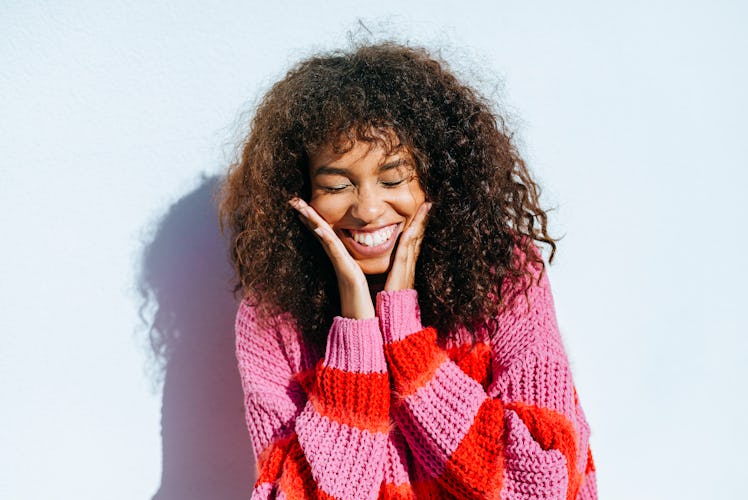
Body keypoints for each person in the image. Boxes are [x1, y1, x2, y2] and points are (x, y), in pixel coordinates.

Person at [218, 41, 597, 499]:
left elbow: (543, 482)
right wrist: (356, 338)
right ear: (300, 196)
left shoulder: (504, 276)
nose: (369, 208)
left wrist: (407, 343)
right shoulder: (272, 321)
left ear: (437, 174)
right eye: (337, 185)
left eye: (393, 178)